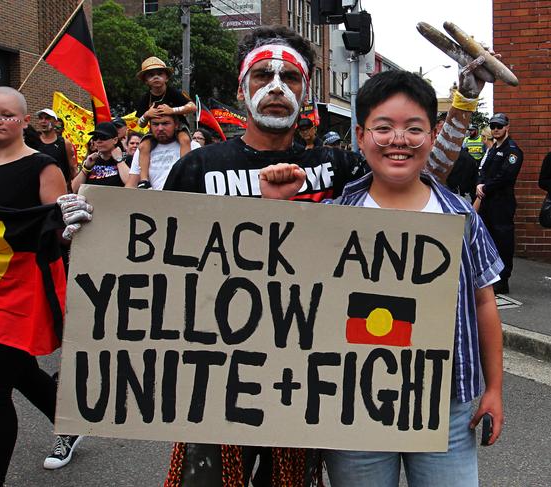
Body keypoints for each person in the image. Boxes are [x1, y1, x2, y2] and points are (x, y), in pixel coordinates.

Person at [59, 24, 483, 487]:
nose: (277, 88)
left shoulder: (337, 167)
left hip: (307, 384)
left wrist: (461, 109)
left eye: (291, 78)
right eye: (263, 76)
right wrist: (91, 228)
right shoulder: (198, 167)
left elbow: (414, 176)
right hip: (216, 378)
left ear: (306, 92)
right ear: (242, 90)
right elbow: (148, 259)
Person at [259, 69, 504, 487]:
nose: (399, 141)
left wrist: (495, 388)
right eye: (384, 128)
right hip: (352, 403)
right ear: (360, 135)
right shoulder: (333, 215)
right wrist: (276, 213)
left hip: (446, 405)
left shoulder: (460, 216)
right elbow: (284, 291)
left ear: (432, 135)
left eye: (414, 129)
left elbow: (483, 302)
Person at [0, 86, 82, 486]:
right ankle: (68, 424)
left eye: (7, 114)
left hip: (26, 292)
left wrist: (72, 223)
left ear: (24, 121)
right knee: (21, 370)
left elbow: (61, 230)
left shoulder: (43, 168)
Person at [476, 113, 523, 294]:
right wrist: (480, 184)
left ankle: (503, 280)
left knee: (503, 241)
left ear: (507, 127)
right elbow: (483, 169)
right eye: (493, 126)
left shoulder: (513, 151)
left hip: (501, 202)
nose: (496, 129)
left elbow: (505, 177)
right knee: (487, 240)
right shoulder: (493, 149)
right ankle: (490, 277)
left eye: (499, 126)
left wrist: (485, 187)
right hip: (487, 201)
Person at [134, 56, 196, 189]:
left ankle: (184, 173)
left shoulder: (174, 92)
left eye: (160, 74)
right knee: (143, 146)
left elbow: (192, 107)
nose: (156, 77)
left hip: (178, 126)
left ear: (166, 77)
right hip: (155, 131)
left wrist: (172, 110)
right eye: (151, 75)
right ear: (146, 80)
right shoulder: (145, 98)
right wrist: (147, 115)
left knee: (185, 140)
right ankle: (144, 180)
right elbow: (139, 123)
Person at [126, 113, 201, 190]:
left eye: (165, 123)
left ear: (176, 125)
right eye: (155, 124)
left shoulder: (193, 147)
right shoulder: (142, 150)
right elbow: (131, 184)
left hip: (182, 199)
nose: (160, 128)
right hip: (152, 200)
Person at [71, 121, 130, 191]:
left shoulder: (127, 159)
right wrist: (86, 168)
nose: (98, 141)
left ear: (115, 140)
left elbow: (130, 184)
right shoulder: (91, 161)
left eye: (103, 137)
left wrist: (119, 160)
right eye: (95, 138)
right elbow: (74, 189)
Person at [35, 108, 77, 188]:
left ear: (55, 122)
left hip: (59, 189)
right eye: (41, 118)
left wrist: (75, 189)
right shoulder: (33, 141)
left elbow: (73, 169)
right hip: (37, 189)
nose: (43, 121)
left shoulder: (65, 143)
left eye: (47, 118)